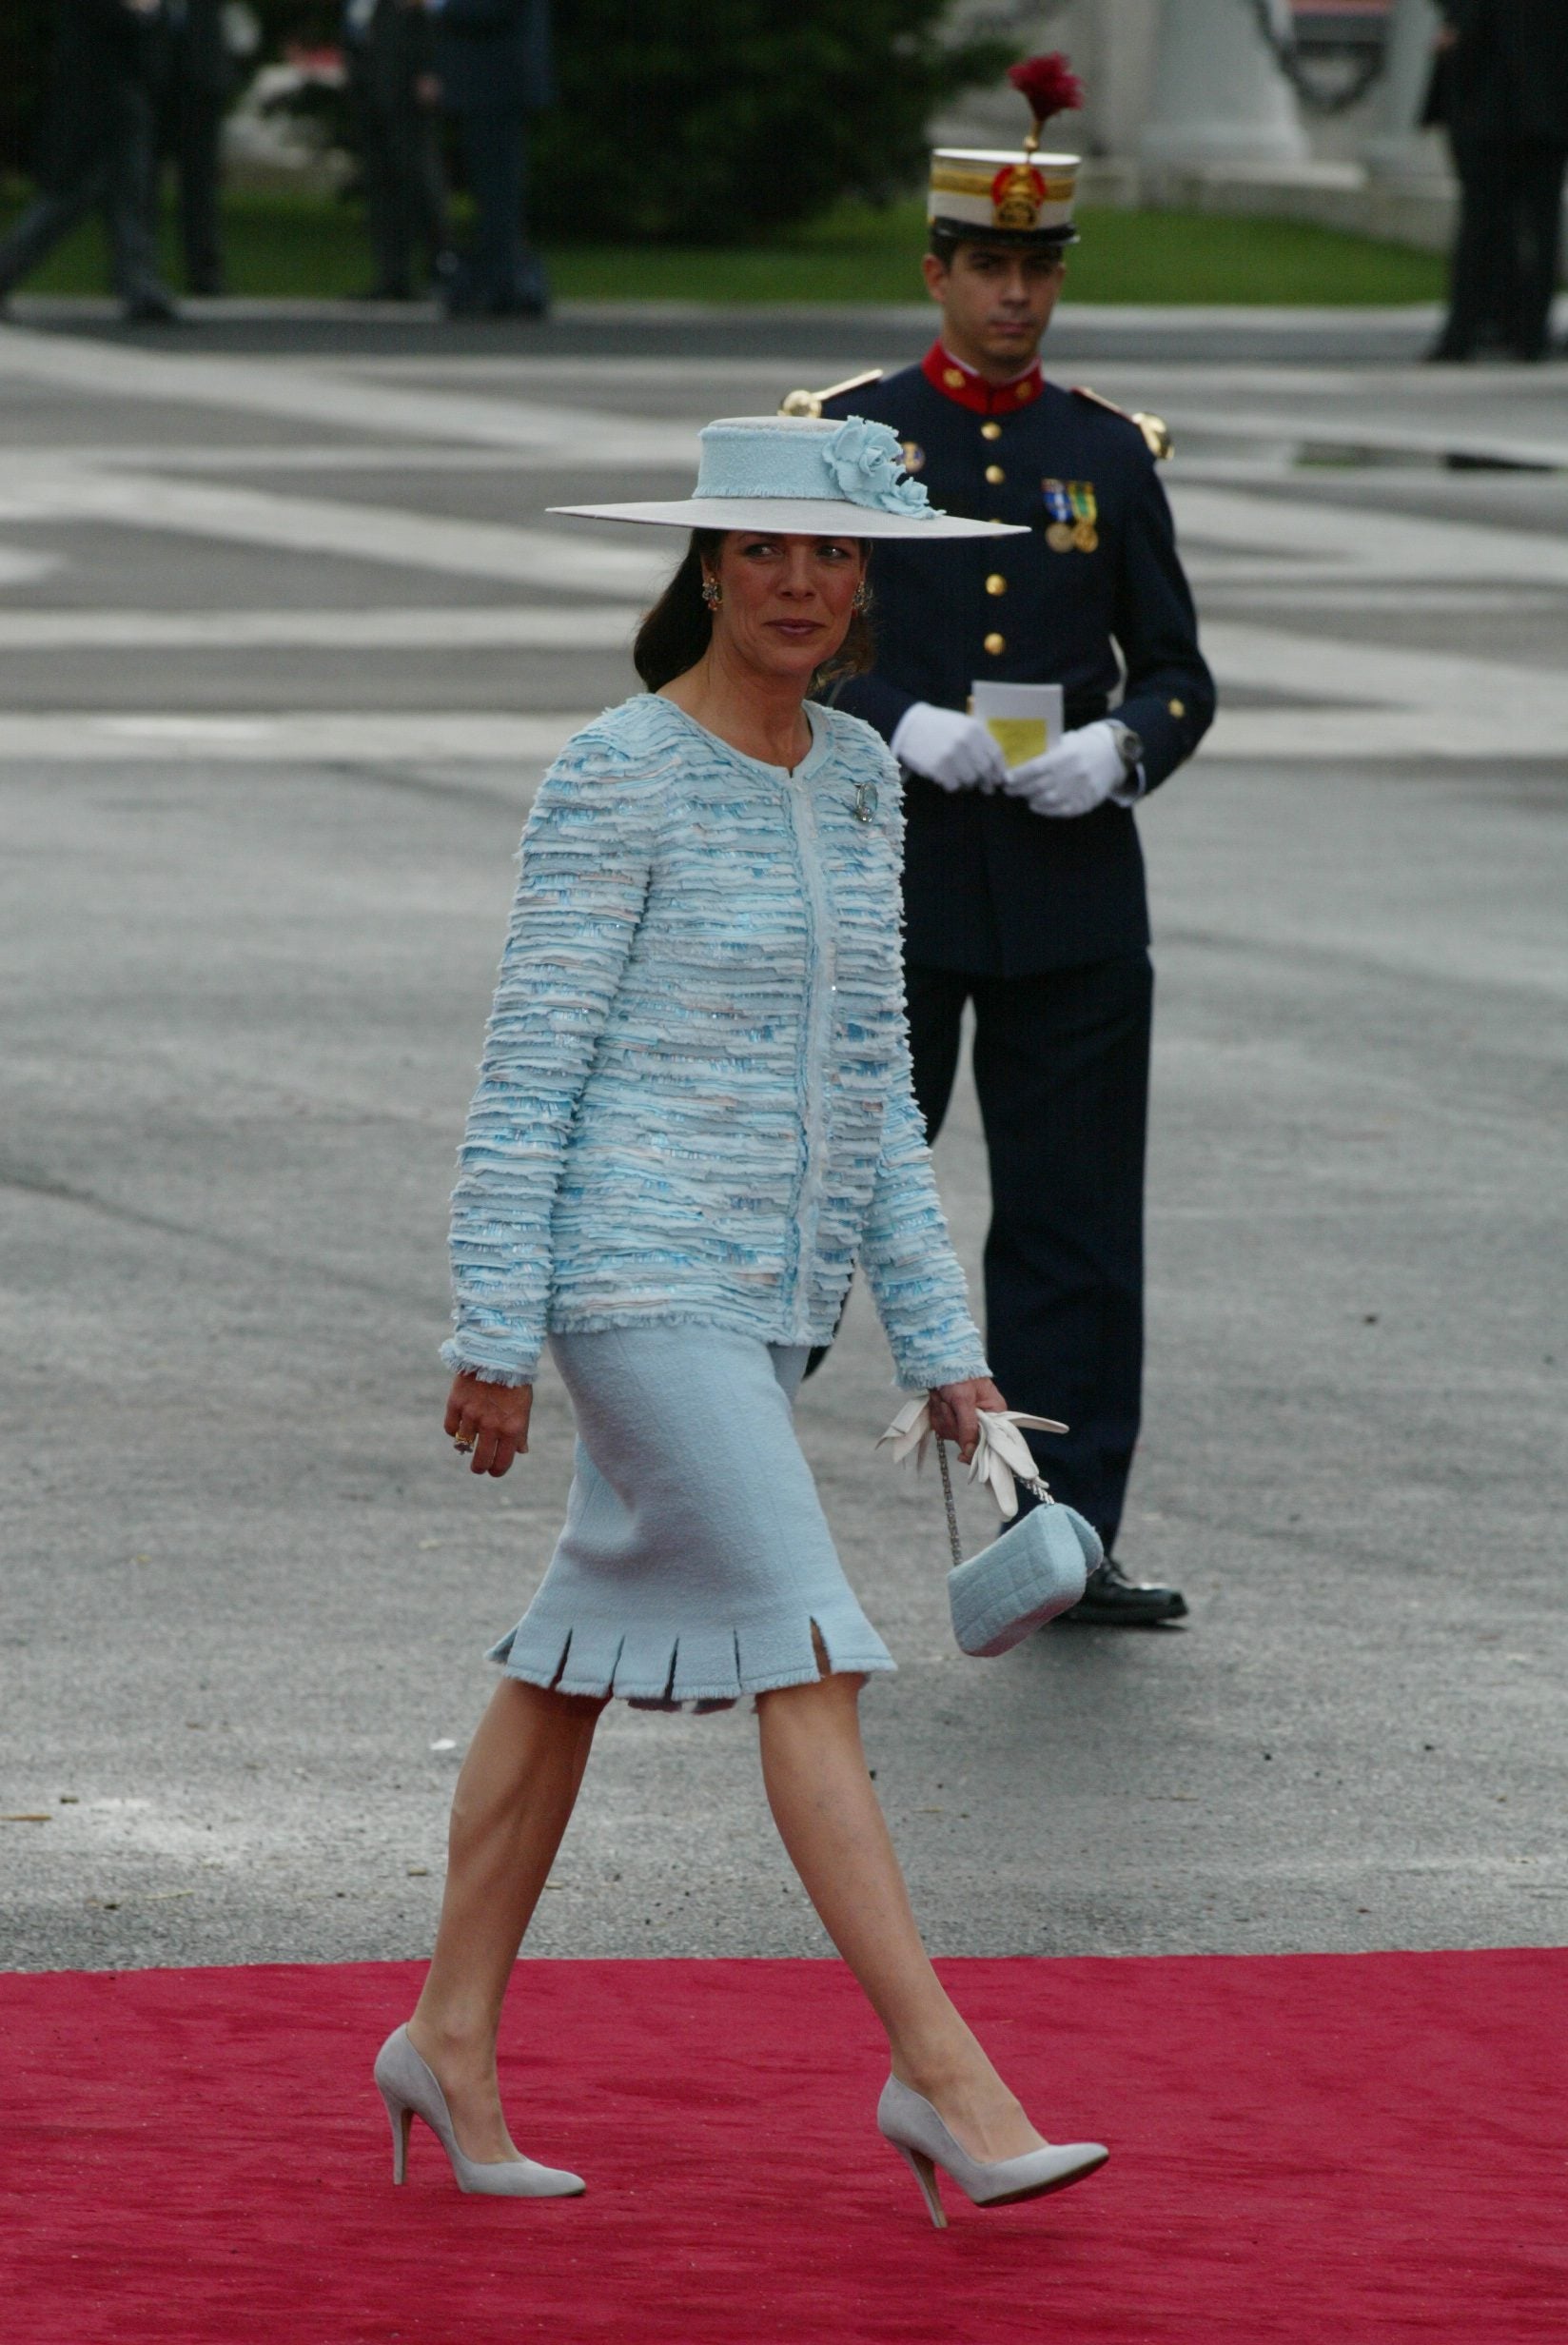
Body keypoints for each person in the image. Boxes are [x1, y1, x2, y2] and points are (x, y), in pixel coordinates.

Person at [373, 413, 1109, 2225]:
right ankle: (941, 2071)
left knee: (563, 1674)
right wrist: (493, 1329)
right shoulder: (613, 770)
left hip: (770, 1301)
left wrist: (942, 1347)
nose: (802, 583)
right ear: (709, 564)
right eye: (767, 551)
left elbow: (870, 1086)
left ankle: (443, 2034)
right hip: (628, 1284)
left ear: (864, 583)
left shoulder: (859, 779)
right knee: (808, 1638)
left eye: (834, 556)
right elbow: (527, 1063)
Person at [794, 57, 1215, 1626]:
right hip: (888, 880)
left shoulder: (1104, 456)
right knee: (820, 1198)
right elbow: (791, 623)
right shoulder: (853, 434)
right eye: (988, 266)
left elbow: (1178, 666)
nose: (1014, 296)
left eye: (1037, 271)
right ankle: (715, 1499)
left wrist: (1122, 745)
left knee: (1069, 1226)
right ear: (935, 270)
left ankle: (1064, 1533)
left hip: (1064, 893)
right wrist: (894, 711)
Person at [0, 0, 179, 325]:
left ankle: (140, 286)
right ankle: (138, 286)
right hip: (95, 108)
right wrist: (144, 12)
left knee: (129, 198)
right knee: (67, 202)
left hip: (122, 104)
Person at [1423, 0, 1568, 363]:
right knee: (1541, 224)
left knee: (1481, 224)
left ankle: (1467, 331)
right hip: (1546, 104)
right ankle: (1529, 332)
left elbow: (1471, 25)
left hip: (1490, 104)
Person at [422, 0, 550, 316]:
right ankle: (499, 281)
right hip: (495, 84)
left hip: (496, 84)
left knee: (498, 192)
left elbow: (490, 11)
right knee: (494, 191)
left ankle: (501, 285)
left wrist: (437, 6)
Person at [343, 0, 451, 301]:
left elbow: (428, 13)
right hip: (370, 71)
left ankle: (441, 263)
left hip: (405, 72)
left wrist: (429, 67)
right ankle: (392, 273)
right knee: (381, 179)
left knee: (416, 173)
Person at [152, 0, 238, 295]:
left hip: (201, 73)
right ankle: (137, 268)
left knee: (200, 181)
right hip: (151, 75)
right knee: (139, 180)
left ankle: (205, 272)